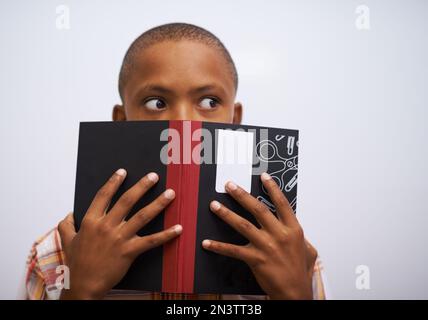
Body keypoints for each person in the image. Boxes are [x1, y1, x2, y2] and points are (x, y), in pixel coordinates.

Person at [25, 23, 326, 300]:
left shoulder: (287, 253)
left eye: (209, 102)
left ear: (236, 120)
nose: (183, 124)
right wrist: (77, 291)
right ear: (120, 121)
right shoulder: (60, 252)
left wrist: (296, 294)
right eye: (156, 102)